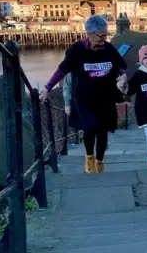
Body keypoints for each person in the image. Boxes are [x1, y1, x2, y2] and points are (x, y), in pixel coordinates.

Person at [39, 15, 126, 174]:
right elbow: (62, 70)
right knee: (90, 127)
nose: (104, 39)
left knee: (102, 130)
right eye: (101, 36)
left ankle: (99, 162)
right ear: (90, 34)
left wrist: (123, 77)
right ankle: (89, 157)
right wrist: (47, 88)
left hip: (105, 97)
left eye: (106, 35)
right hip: (84, 98)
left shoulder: (108, 48)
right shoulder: (77, 50)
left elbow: (120, 66)